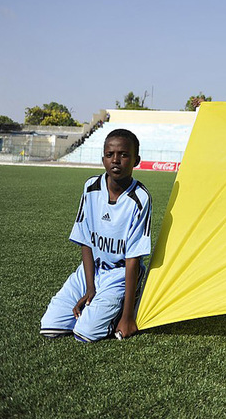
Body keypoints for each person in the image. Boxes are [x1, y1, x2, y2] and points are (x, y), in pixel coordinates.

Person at [40, 129, 151, 342]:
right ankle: (97, 302)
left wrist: (128, 318)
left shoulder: (140, 198)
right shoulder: (90, 187)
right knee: (50, 326)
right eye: (110, 155)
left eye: (123, 155)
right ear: (103, 159)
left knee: (86, 333)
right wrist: (90, 288)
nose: (115, 160)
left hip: (120, 275)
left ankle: (125, 304)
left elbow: (133, 258)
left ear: (136, 160)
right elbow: (86, 240)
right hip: (91, 270)